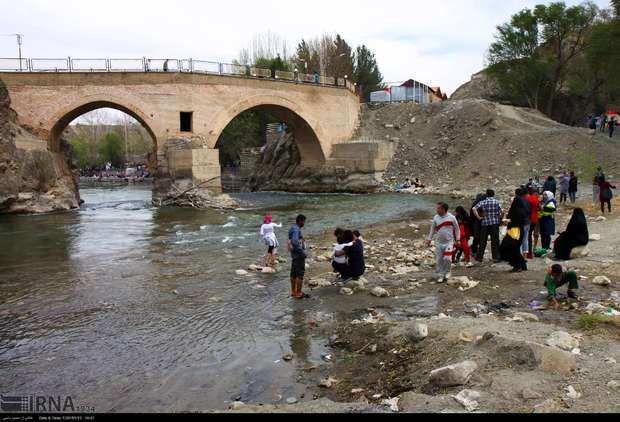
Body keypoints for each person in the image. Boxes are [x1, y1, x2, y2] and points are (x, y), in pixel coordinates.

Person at [426, 203, 461, 282]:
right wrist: (429, 239)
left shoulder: (452, 218)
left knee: (447, 258)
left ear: (443, 209)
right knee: (439, 260)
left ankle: (448, 272)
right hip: (439, 242)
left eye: (438, 208)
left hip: (449, 242)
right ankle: (441, 275)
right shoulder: (436, 218)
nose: (437, 210)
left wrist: (458, 239)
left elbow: (457, 228)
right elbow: (432, 229)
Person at [473, 190, 504, 263]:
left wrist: (479, 217)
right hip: (494, 223)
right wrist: (500, 218)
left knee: (483, 241)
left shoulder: (483, 202)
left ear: (487, 194)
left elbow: (474, 209)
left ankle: (480, 257)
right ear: (493, 194)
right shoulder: (497, 202)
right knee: (495, 241)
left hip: (485, 223)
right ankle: (496, 257)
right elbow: (502, 211)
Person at [500, 194, 528, 272]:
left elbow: (513, 221)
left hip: (514, 233)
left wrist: (505, 221)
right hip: (519, 231)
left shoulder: (515, 211)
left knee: (511, 249)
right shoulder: (522, 210)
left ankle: (517, 266)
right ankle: (522, 265)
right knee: (515, 249)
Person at [288, 215, 310, 299]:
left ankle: (293, 291)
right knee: (300, 274)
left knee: (293, 274)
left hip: (294, 255)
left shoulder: (292, 228)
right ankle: (298, 293)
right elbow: (295, 242)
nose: (304, 223)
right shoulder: (296, 229)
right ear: (300, 221)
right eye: (304, 221)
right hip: (298, 255)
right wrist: (302, 253)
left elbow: (292, 242)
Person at [525, 186, 541, 259]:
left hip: (528, 219)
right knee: (531, 234)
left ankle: (527, 252)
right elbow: (539, 208)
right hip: (534, 219)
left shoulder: (527, 198)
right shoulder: (536, 199)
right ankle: (530, 253)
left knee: (527, 236)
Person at [518, 188, 532, 260]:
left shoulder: (520, 201)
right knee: (525, 239)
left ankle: (520, 256)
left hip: (522, 223)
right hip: (528, 222)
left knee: (520, 239)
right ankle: (525, 256)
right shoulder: (528, 201)